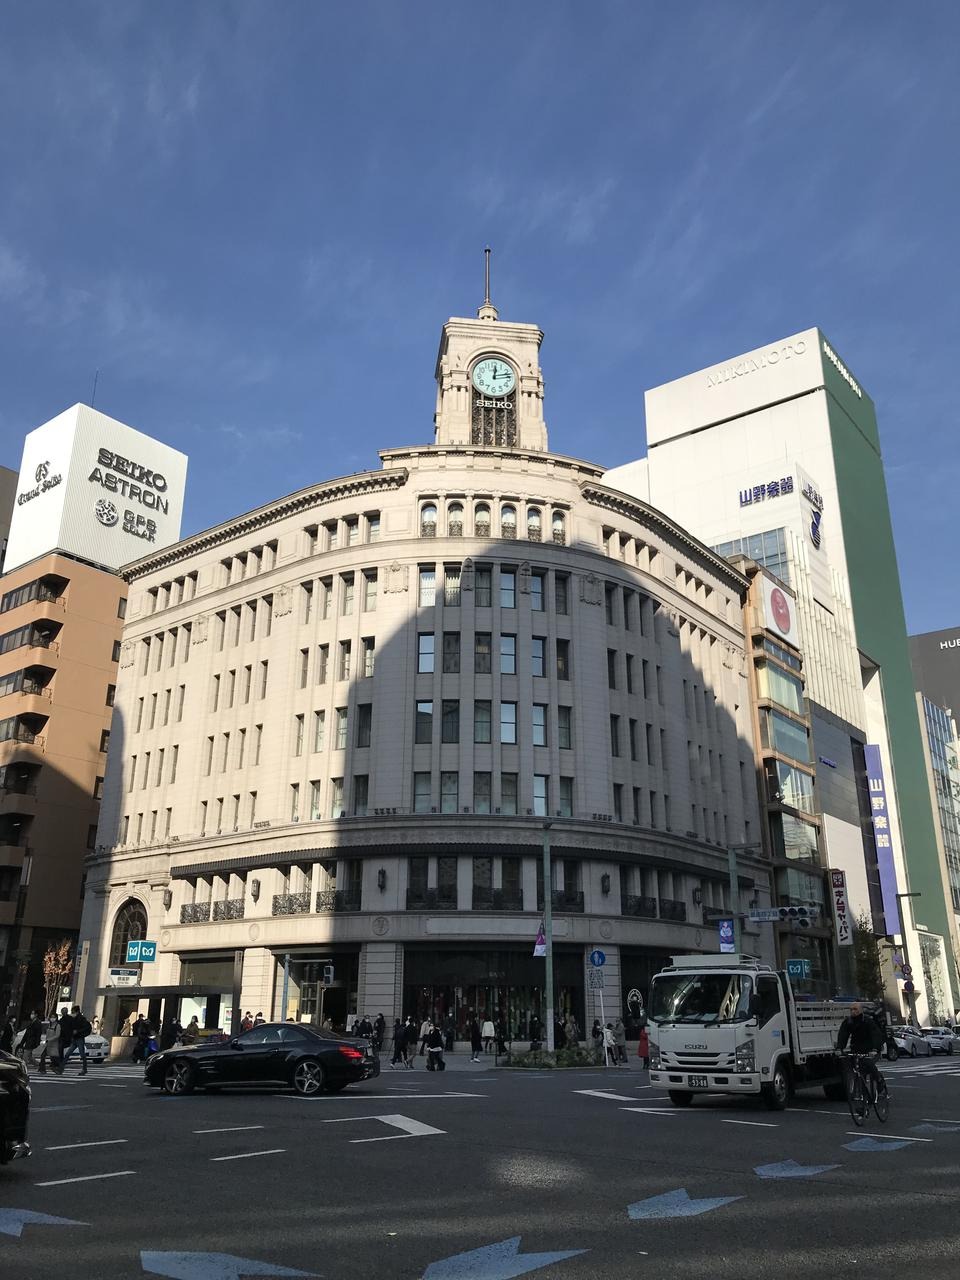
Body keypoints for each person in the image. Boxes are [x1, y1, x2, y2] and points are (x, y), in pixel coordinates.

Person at [837, 1002, 884, 1097]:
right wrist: (839, 1048)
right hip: (856, 1049)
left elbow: (875, 1035)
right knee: (858, 1072)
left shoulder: (868, 1021)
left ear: (861, 1010)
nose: (853, 1011)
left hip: (871, 1049)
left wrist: (874, 1049)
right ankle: (864, 1100)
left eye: (855, 1009)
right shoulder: (848, 1022)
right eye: (851, 1009)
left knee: (869, 1063)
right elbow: (843, 1035)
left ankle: (879, 1080)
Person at [60, 1005, 91, 1075]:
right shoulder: (75, 1018)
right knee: (68, 1054)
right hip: (75, 1038)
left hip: (79, 1038)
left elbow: (86, 1027)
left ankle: (84, 1069)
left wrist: (78, 1031)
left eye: (73, 1011)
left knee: (81, 1054)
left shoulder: (81, 1019)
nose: (72, 1013)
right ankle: (61, 1068)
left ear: (76, 1011)